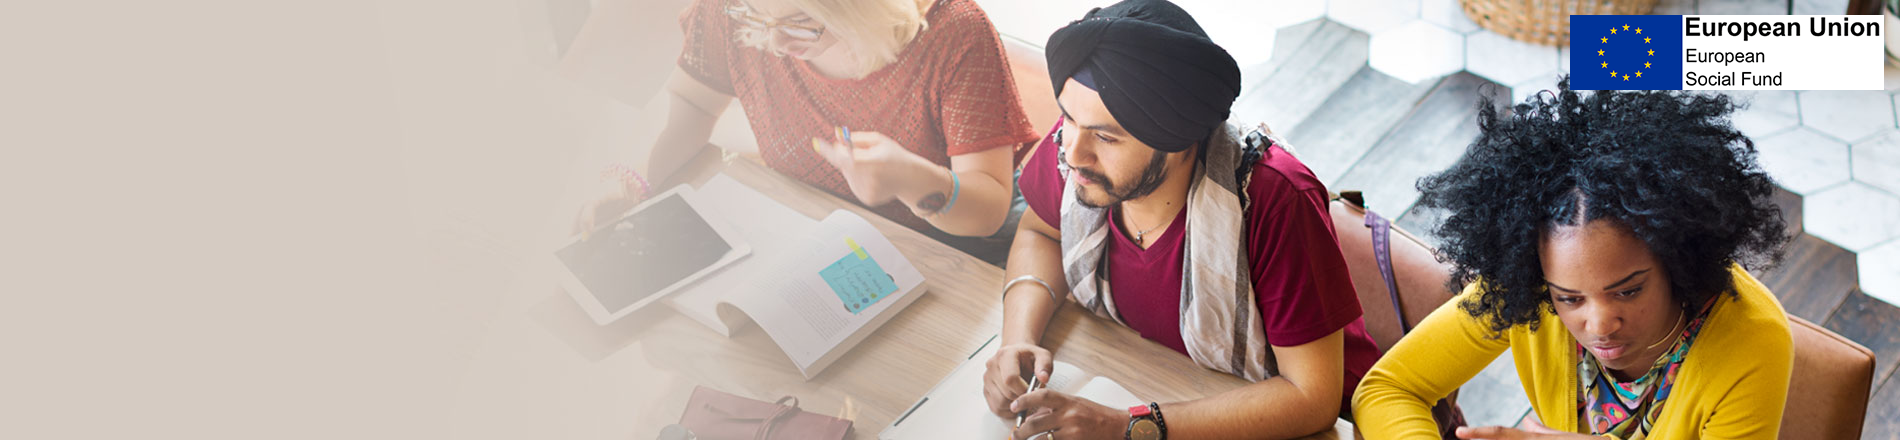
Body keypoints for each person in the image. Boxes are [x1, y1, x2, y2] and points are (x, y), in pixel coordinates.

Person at [979, 1, 1381, 439]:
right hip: (1163, 381)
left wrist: (1127, 426)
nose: (1073, 152)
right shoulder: (1077, 156)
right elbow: (1041, 230)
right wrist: (1018, 339)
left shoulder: (1274, 201)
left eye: (1106, 137)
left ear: (1176, 140)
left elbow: (1313, 399)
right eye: (1069, 118)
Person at [1352, 79, 1794, 439]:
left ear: (1677, 259)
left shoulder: (1753, 344)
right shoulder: (1528, 284)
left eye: (1628, 290)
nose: (1599, 325)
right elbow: (1388, 388)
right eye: (1569, 299)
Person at [573, 0, 1040, 263]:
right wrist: (632, 181)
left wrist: (910, 180)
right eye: (757, 17)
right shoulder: (735, 13)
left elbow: (989, 210)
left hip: (943, 250)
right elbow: (690, 104)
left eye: (801, 24)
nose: (772, 44)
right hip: (812, 242)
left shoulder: (955, 33)